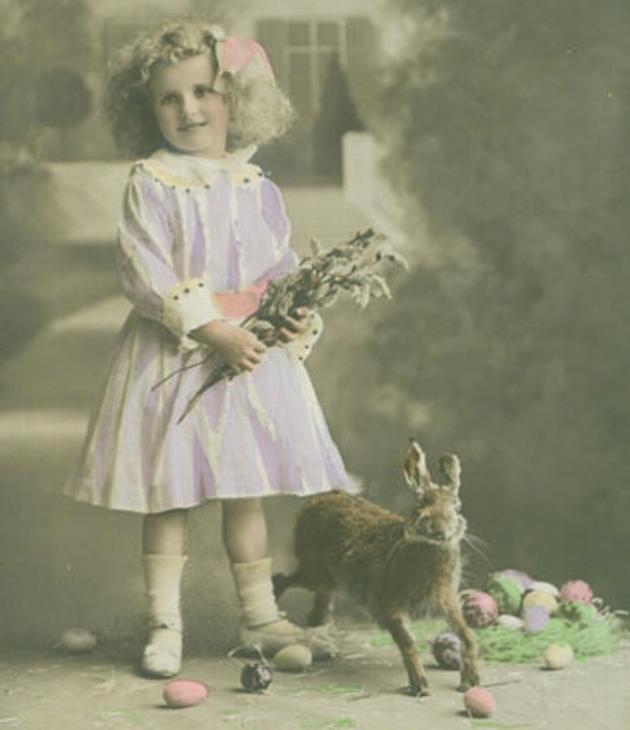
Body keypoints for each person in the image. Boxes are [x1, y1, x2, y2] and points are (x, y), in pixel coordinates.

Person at [64, 19, 350, 678]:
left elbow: (277, 268)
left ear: (236, 98)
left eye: (203, 92)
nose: (189, 110)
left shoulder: (257, 186)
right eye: (169, 98)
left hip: (247, 357)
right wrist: (211, 328)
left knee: (244, 490)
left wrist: (290, 315)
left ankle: (258, 615)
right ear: (148, 109)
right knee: (171, 492)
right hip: (178, 352)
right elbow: (145, 272)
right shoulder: (153, 181)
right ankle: (165, 622)